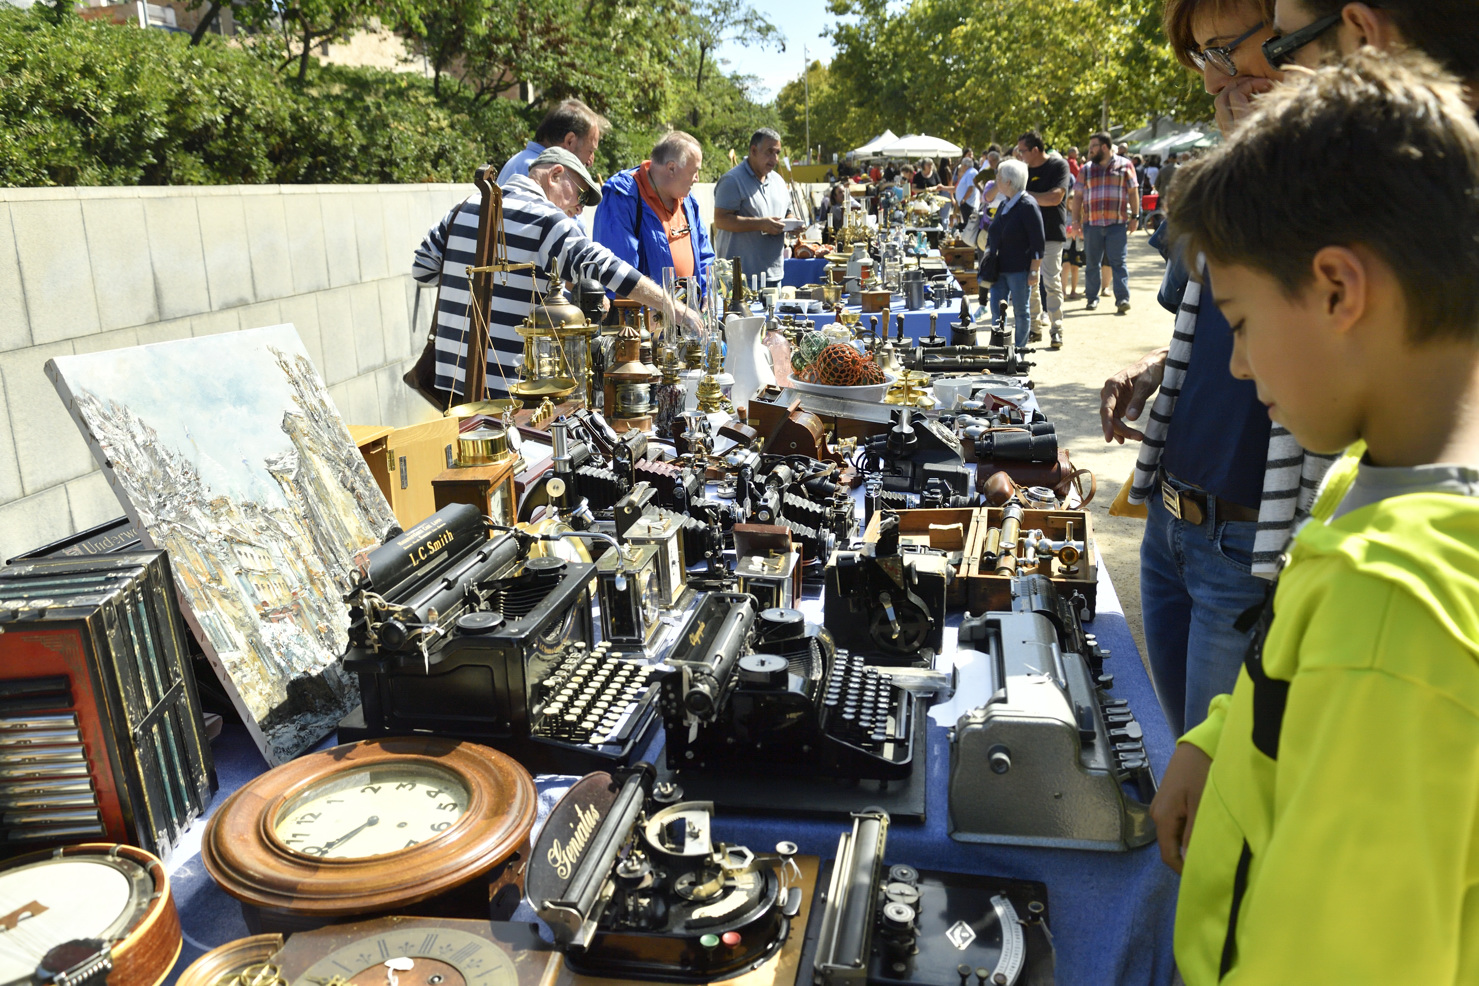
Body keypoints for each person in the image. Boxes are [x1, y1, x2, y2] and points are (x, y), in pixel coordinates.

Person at [1149, 51, 1479, 983]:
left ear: (1337, 289)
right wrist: (1214, 736)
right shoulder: (1363, 483)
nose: (1242, 367)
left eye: (1243, 322)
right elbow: (1285, 668)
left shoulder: (1392, 610)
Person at [1100, 0, 1291, 736]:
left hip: (1247, 542)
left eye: (1225, 50)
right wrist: (1150, 370)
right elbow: (1201, 319)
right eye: (1202, 57)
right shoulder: (1218, 174)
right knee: (1177, 752)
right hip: (1169, 523)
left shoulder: (1345, 192)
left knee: (1213, 789)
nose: (1213, 82)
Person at [413, 147, 701, 403]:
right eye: (580, 194)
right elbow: (605, 266)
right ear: (555, 175)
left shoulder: (460, 209)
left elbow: (423, 270)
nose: (578, 208)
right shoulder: (546, 220)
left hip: (451, 381)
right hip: (506, 390)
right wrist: (673, 307)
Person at [591, 130, 715, 299]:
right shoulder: (621, 196)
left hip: (687, 316)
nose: (697, 178)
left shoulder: (687, 199)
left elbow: (705, 256)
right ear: (671, 168)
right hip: (641, 321)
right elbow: (618, 276)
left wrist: (708, 295)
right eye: (694, 172)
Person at [713, 128, 793, 288]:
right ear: (753, 151)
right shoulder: (732, 181)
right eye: (769, 152)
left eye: (777, 153)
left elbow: (788, 212)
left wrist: (793, 224)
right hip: (739, 280)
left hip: (773, 276)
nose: (774, 159)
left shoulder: (778, 181)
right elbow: (721, 220)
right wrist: (760, 224)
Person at [1071, 131, 1140, 314]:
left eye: (1093, 146)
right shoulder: (1086, 169)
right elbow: (1077, 196)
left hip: (1116, 224)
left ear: (1104, 147)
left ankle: (1122, 299)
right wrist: (1075, 221)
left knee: (1119, 262)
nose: (1090, 150)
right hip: (1092, 224)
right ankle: (1092, 298)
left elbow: (1133, 193)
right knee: (1092, 263)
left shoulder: (1125, 166)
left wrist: (1135, 217)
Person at [979, 158, 1043, 350]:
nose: (996, 179)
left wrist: (1034, 270)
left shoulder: (1028, 205)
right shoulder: (1005, 203)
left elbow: (1038, 241)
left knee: (1021, 312)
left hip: (1019, 269)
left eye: (999, 176)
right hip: (999, 269)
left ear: (1008, 181)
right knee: (997, 310)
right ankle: (1000, 347)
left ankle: (1020, 350)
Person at [1017, 132, 1071, 349]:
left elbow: (1055, 197)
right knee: (1030, 282)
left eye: (1022, 151)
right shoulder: (1023, 170)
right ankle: (1034, 328)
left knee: (1051, 282)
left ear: (1035, 150)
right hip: (1027, 235)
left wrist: (1025, 196)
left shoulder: (1059, 166)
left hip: (1051, 234)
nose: (1020, 155)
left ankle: (1056, 329)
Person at [496, 98, 607, 186]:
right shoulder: (546, 174)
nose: (590, 162)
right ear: (570, 141)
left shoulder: (521, 162)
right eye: (590, 150)